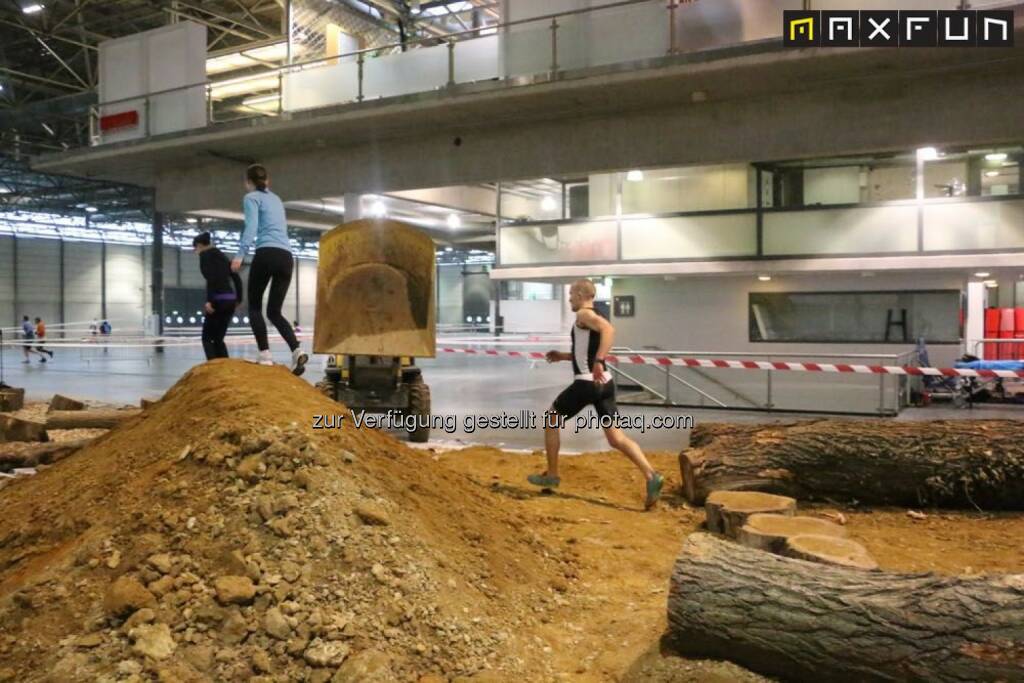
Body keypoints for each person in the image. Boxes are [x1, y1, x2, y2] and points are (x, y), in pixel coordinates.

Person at [528, 279, 664, 510]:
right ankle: (652, 476)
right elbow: (585, 351)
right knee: (616, 438)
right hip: (605, 383)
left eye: (571, 293)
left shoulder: (583, 314)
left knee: (551, 420)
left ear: (581, 294)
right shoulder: (593, 315)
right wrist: (563, 356)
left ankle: (552, 474)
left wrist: (600, 359)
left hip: (586, 383)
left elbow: (608, 330)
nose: (569, 298)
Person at [230, 164, 308, 375]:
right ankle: (297, 350)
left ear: (248, 182)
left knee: (254, 307)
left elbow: (252, 227)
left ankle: (265, 355)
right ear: (268, 181)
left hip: (266, 254)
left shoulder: (251, 198)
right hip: (286, 257)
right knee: (274, 311)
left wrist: (240, 255)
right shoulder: (276, 199)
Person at [194, 232, 243, 360]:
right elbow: (236, 277)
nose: (196, 251)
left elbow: (212, 278)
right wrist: (239, 298)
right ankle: (225, 369)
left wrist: (209, 301)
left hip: (218, 299)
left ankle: (213, 370)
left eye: (195, 248)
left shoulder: (204, 256)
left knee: (206, 338)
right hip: (230, 300)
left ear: (199, 245)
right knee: (218, 339)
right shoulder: (223, 256)